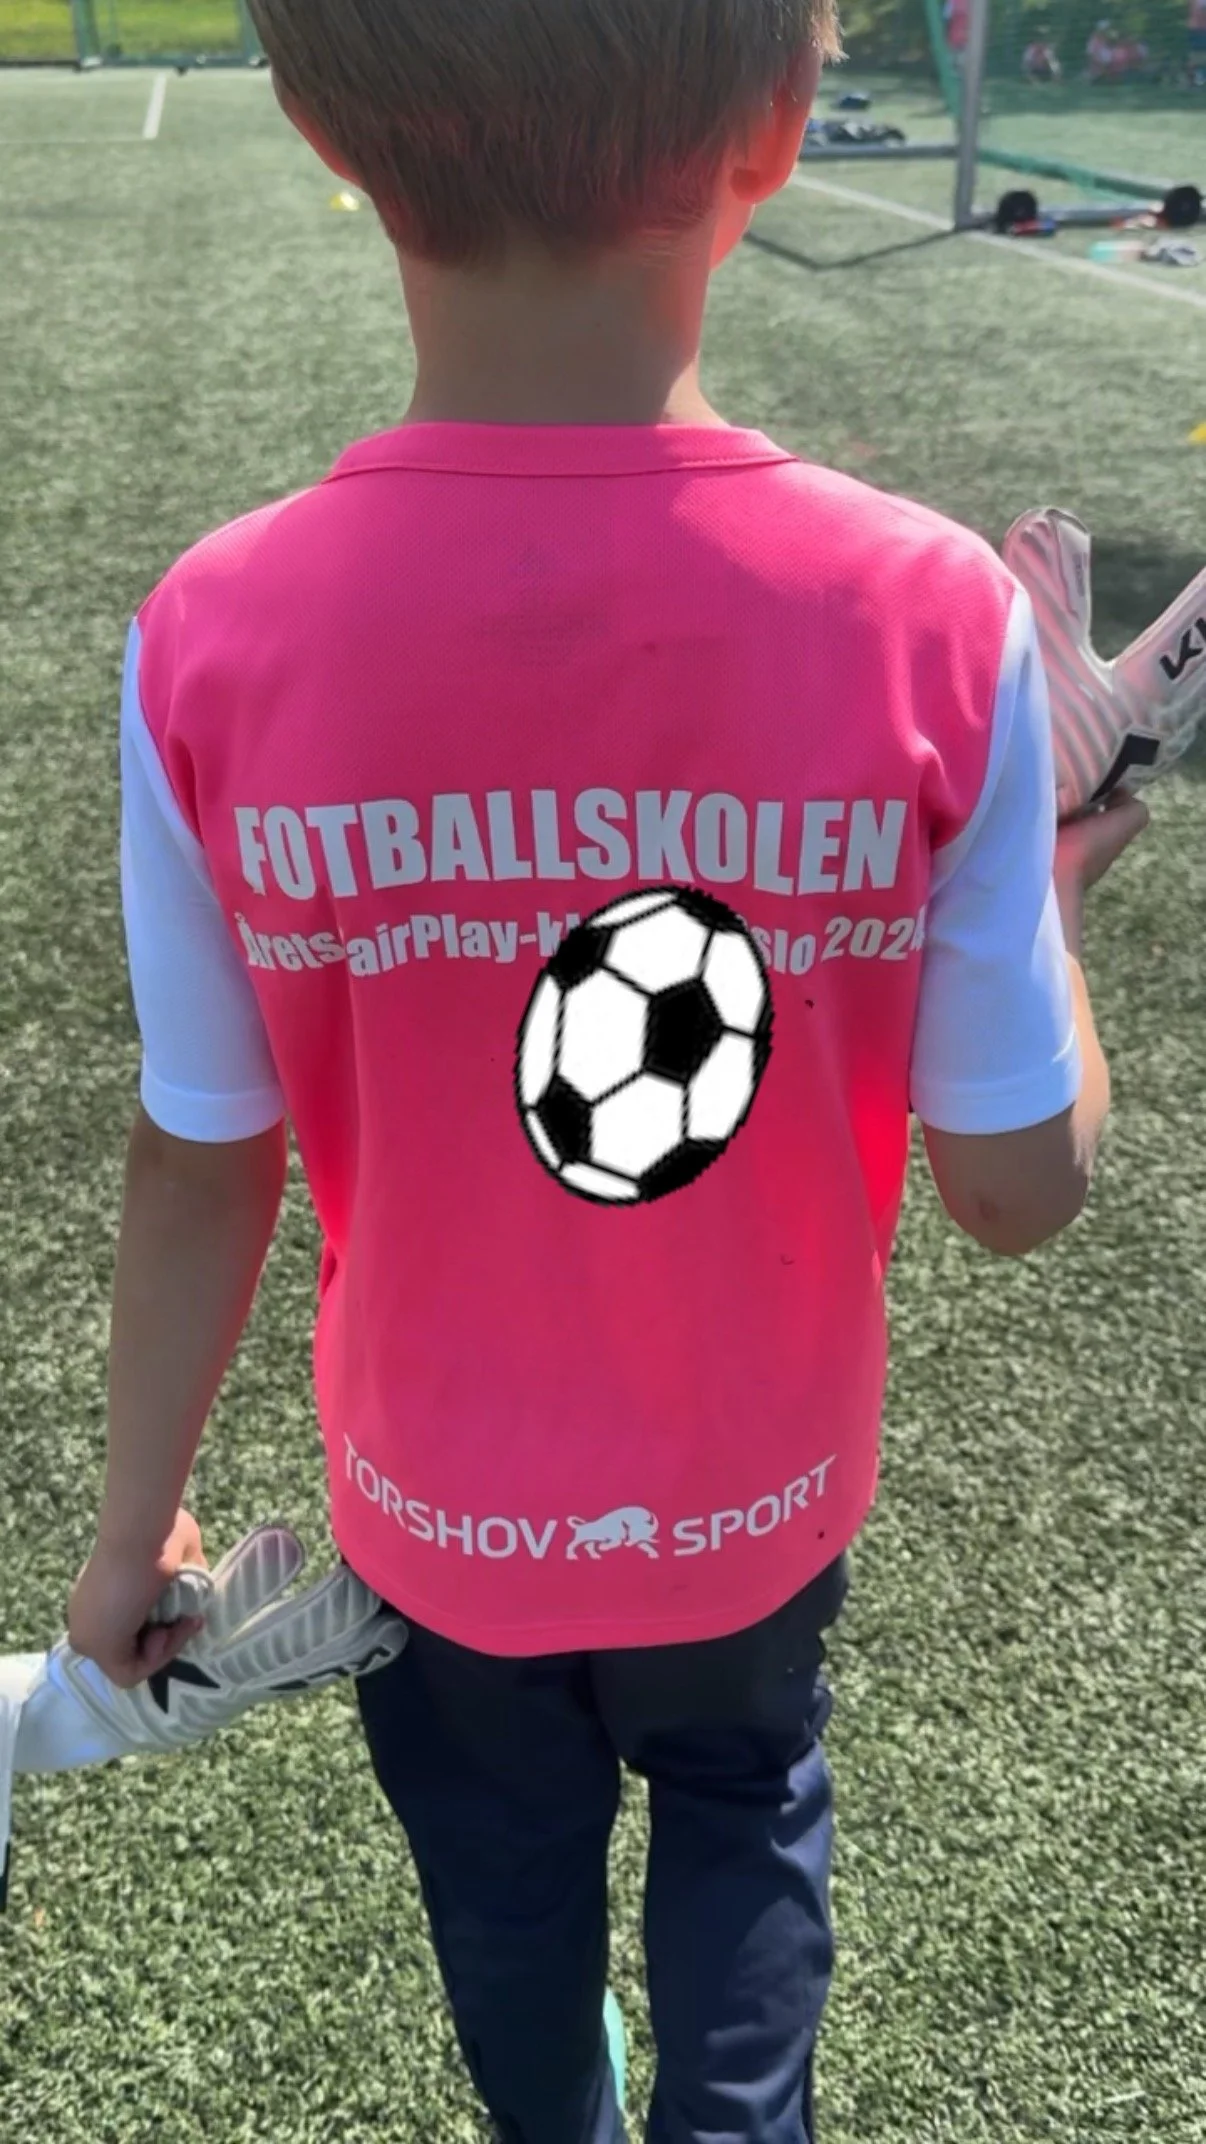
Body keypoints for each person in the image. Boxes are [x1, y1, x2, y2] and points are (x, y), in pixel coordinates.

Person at [65, 2, 1147, 2139]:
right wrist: (1051, 904)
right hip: (756, 1501)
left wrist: (126, 1535)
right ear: (780, 119)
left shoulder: (211, 634)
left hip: (433, 1518)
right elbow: (1021, 1189)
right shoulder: (930, 617)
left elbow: (202, 1153)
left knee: (505, 1904)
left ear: (321, 126)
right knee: (745, 1809)